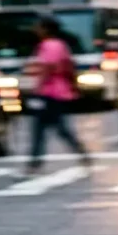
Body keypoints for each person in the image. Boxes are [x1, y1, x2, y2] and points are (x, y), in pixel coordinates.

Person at [25, 16, 92, 175]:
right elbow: (69, 66)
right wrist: (73, 86)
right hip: (60, 91)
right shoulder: (61, 45)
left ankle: (35, 163)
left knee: (42, 129)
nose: (36, 30)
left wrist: (37, 87)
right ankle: (81, 153)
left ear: (46, 29)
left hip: (49, 92)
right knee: (54, 128)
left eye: (38, 27)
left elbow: (48, 67)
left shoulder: (48, 45)